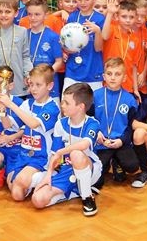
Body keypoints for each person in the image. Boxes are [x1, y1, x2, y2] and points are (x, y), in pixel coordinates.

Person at [30, 82, 102, 216]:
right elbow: (54, 155)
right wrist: (48, 175)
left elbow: (84, 145)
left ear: (81, 107)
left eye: (67, 103)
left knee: (76, 154)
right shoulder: (60, 124)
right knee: (37, 200)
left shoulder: (92, 123)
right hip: (66, 169)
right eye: (63, 101)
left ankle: (87, 197)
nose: (62, 105)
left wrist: (61, 152)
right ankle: (73, 191)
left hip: (89, 169)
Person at [0, 64, 60, 202]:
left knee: (20, 182)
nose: (33, 89)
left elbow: (33, 123)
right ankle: (31, 182)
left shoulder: (52, 107)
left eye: (38, 85)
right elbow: (7, 125)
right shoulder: (27, 104)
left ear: (49, 86)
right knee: (16, 194)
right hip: (23, 155)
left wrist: (11, 104)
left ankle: (52, 175)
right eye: (31, 84)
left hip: (41, 158)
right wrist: (2, 110)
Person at [92, 58, 140, 187]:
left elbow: (130, 127)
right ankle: (108, 162)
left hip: (120, 142)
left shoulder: (129, 100)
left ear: (124, 78)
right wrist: (97, 133)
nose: (113, 78)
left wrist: (122, 141)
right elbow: (89, 120)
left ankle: (117, 162)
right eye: (109, 74)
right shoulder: (95, 96)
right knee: (97, 182)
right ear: (104, 76)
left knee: (132, 166)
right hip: (101, 143)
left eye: (117, 74)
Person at [0, 0, 31, 97]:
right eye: (0, 11)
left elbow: (25, 56)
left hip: (18, 84)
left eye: (7, 12)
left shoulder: (22, 31)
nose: (3, 15)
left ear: (16, 13)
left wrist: (28, 74)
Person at [64, 0, 105, 90]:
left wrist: (97, 31)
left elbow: (99, 48)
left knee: (93, 101)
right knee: (68, 100)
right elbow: (67, 46)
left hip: (93, 72)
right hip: (72, 72)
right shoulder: (72, 17)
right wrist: (65, 46)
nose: (83, 3)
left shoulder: (100, 19)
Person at [101, 0, 144, 97]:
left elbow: (134, 66)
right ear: (117, 16)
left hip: (127, 85)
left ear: (135, 18)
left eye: (131, 17)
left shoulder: (135, 39)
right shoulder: (112, 29)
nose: (128, 20)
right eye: (124, 16)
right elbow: (104, 36)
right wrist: (110, 13)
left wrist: (135, 89)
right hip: (109, 82)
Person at [26, 0, 64, 96]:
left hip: (49, 88)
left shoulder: (53, 36)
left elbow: (59, 62)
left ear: (46, 15)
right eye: (30, 14)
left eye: (37, 14)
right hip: (31, 85)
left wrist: (44, 77)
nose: (33, 18)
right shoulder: (24, 35)